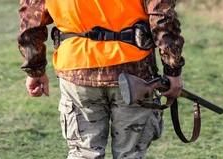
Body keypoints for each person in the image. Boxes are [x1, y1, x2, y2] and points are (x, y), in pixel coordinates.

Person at [17, 0, 185, 158]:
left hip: (76, 70)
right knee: (131, 154)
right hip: (134, 72)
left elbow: (31, 18)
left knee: (83, 153)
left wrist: (35, 69)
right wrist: (172, 69)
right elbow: (163, 19)